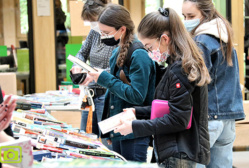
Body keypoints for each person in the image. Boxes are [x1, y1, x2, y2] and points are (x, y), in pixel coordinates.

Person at [113, 7, 211, 167]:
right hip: (177, 149)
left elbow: (178, 119)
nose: (149, 53)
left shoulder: (180, 69)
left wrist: (134, 127)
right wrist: (136, 112)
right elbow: (168, 106)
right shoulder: (177, 64)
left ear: (165, 39)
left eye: (149, 47)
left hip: (180, 152)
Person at [88, 4, 156, 162]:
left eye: (106, 33)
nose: (104, 37)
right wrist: (108, 130)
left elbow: (137, 96)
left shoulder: (139, 54)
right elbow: (112, 96)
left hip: (134, 130)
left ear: (122, 29)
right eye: (102, 32)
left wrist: (105, 79)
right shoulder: (117, 51)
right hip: (118, 127)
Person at [182, 0, 245, 167]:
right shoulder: (225, 36)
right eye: (184, 16)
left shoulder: (201, 41)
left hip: (208, 117)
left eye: (191, 16)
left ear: (206, 14)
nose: (186, 21)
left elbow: (195, 80)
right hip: (228, 117)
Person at [70, 0, 118, 139]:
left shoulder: (117, 36)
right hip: (90, 95)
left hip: (107, 95)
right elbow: (82, 52)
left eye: (95, 21)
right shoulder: (94, 33)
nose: (93, 26)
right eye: (90, 22)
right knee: (85, 138)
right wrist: (77, 65)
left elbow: (120, 69)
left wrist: (99, 74)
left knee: (106, 141)